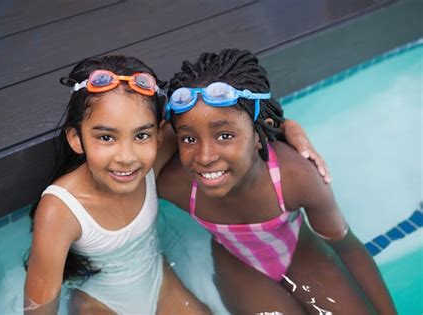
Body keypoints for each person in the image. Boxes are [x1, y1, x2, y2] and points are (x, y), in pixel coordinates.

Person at [157, 49, 397, 314]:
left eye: (225, 136)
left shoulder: (297, 178)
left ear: (261, 133)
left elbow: (347, 247)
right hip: (239, 267)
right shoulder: (175, 183)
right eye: (189, 139)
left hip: (302, 254)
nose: (204, 157)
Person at [24, 55, 211, 314]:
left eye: (141, 135)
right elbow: (39, 307)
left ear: (158, 135)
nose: (126, 157)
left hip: (160, 284)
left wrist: (285, 128)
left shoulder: (151, 160)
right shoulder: (60, 210)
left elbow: (224, 120)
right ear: (77, 138)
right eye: (106, 137)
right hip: (100, 303)